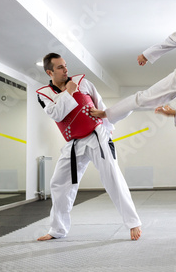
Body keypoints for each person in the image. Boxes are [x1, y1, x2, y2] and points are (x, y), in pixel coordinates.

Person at [36, 53, 142, 241]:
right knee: (58, 183)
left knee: (112, 176)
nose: (66, 69)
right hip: (74, 143)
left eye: (65, 65)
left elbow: (100, 106)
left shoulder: (83, 82)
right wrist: (69, 92)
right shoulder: (44, 94)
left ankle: (133, 222)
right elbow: (57, 114)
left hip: (96, 135)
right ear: (49, 72)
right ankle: (57, 230)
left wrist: (107, 133)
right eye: (60, 67)